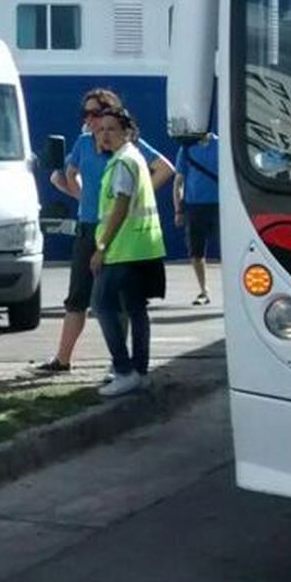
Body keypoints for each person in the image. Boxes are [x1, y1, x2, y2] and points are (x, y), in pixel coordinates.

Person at [36, 89, 173, 374]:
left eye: (94, 113)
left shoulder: (127, 147)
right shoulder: (85, 142)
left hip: (117, 234)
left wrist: (138, 194)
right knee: (78, 297)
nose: (89, 120)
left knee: (118, 302)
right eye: (85, 113)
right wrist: (81, 197)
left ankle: (119, 364)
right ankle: (62, 359)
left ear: (110, 113)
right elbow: (68, 174)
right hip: (89, 228)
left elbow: (165, 169)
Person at [89, 107, 167, 397]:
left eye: (111, 129)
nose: (104, 134)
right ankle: (140, 371)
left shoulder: (122, 161)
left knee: (101, 305)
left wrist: (101, 247)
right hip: (144, 246)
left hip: (123, 250)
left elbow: (120, 207)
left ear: (127, 132)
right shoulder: (134, 158)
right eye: (101, 129)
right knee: (136, 310)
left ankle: (123, 369)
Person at [173, 131, 220, 306]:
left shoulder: (221, 145)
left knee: (228, 251)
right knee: (196, 252)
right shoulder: (186, 149)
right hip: (194, 207)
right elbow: (178, 181)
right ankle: (203, 290)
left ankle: (233, 289)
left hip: (220, 206)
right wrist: (178, 210)